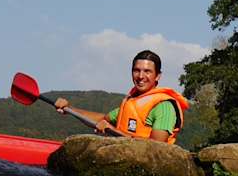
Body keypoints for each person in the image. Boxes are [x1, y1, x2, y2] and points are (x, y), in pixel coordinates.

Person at [52, 50, 189, 143]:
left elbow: (157, 145)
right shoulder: (132, 102)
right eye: (136, 70)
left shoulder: (164, 106)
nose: (141, 76)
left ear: (158, 76)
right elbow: (102, 119)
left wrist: (113, 131)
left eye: (147, 71)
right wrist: (69, 109)